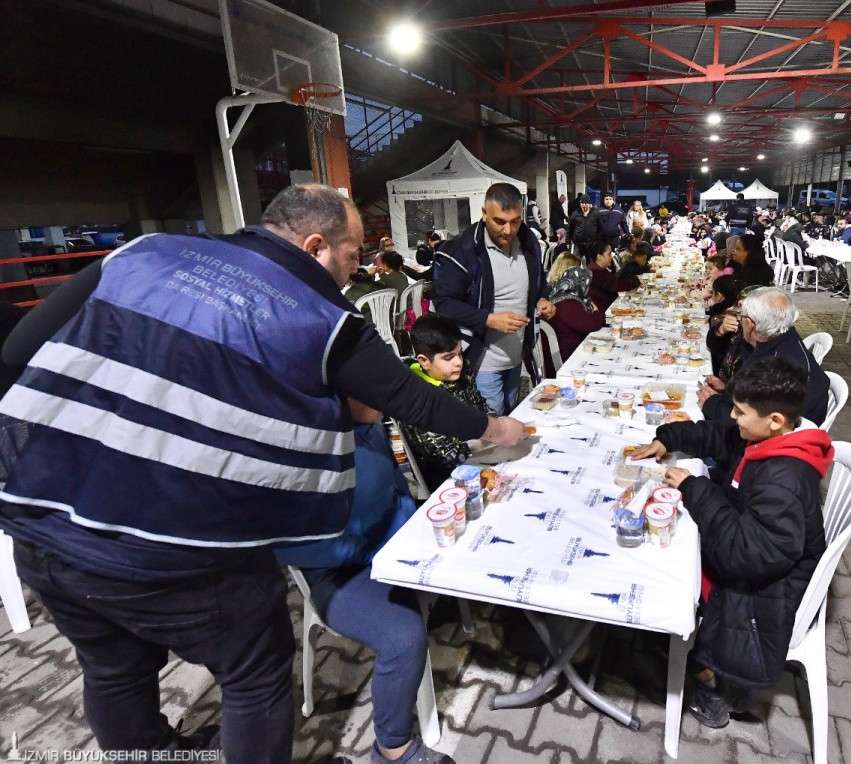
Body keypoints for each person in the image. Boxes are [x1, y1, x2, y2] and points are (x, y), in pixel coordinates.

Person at [0, 184, 526, 764]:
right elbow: (410, 397)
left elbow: (17, 350)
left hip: (44, 524)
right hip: (180, 544)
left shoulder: (142, 254)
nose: (352, 275)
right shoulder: (317, 313)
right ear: (317, 245)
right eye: (352, 258)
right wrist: (499, 430)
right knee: (255, 676)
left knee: (112, 669)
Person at [628, 356, 832, 727]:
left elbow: (745, 555)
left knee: (658, 580)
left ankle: (717, 691)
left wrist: (696, 489)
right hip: (755, 558)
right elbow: (716, 434)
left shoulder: (784, 479)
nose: (733, 418)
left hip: (762, 597)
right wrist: (666, 439)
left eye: (740, 412)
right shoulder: (767, 440)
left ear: (775, 421)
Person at [275, 397, 444, 764]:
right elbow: (289, 548)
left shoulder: (370, 429)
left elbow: (396, 493)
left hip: (389, 544)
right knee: (403, 636)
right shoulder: (300, 449)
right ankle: (393, 747)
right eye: (368, 389)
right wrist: (369, 550)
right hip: (337, 572)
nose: (380, 395)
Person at [432, 182, 555, 415]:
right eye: (499, 221)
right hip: (482, 361)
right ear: (484, 214)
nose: (508, 230)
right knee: (493, 430)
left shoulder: (528, 244)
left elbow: (538, 284)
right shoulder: (462, 250)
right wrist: (487, 319)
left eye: (515, 221)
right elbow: (443, 303)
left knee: (511, 414)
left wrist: (544, 299)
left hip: (517, 357)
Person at [700, 287, 830, 430]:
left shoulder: (772, 366)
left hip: (777, 441)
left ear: (749, 323)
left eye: (741, 316)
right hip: (790, 429)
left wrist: (711, 404)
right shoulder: (784, 338)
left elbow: (747, 425)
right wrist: (728, 389)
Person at [401, 314, 494, 489]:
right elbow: (442, 457)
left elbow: (482, 406)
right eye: (448, 357)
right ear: (424, 361)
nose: (459, 362)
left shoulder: (461, 376)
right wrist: (486, 440)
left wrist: (495, 424)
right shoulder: (418, 399)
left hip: (483, 454)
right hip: (450, 482)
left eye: (459, 353)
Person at [545, 257, 607, 364]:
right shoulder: (568, 302)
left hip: (564, 352)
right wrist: (597, 312)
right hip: (571, 358)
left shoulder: (556, 293)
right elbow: (593, 324)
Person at [584, 241, 639, 312]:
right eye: (609, 254)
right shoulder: (596, 273)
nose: (611, 256)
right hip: (602, 313)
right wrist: (636, 281)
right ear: (599, 256)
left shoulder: (597, 269)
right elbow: (617, 285)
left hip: (607, 309)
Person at [705, 275, 742, 375]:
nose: (711, 296)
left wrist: (720, 330)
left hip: (722, 368)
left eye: (713, 293)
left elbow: (712, 344)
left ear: (720, 295)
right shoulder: (733, 308)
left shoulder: (725, 315)